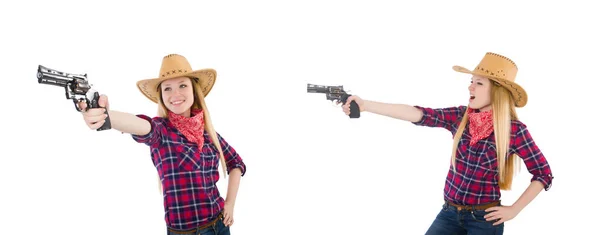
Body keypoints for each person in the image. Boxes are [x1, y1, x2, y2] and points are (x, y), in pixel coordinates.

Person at [341, 52, 553, 234]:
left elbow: (543, 173)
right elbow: (418, 114)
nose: (471, 87)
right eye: (471, 81)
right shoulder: (461, 117)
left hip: (485, 220)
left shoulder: (514, 130)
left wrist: (514, 209)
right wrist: (366, 105)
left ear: (497, 91)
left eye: (479, 83)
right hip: (449, 213)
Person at [80, 54, 247, 235]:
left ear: (194, 90)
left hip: (220, 225)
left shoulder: (208, 134)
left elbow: (236, 163)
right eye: (167, 88)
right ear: (161, 95)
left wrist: (229, 204)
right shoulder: (162, 130)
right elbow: (141, 125)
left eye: (182, 85)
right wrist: (106, 116)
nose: (175, 94)